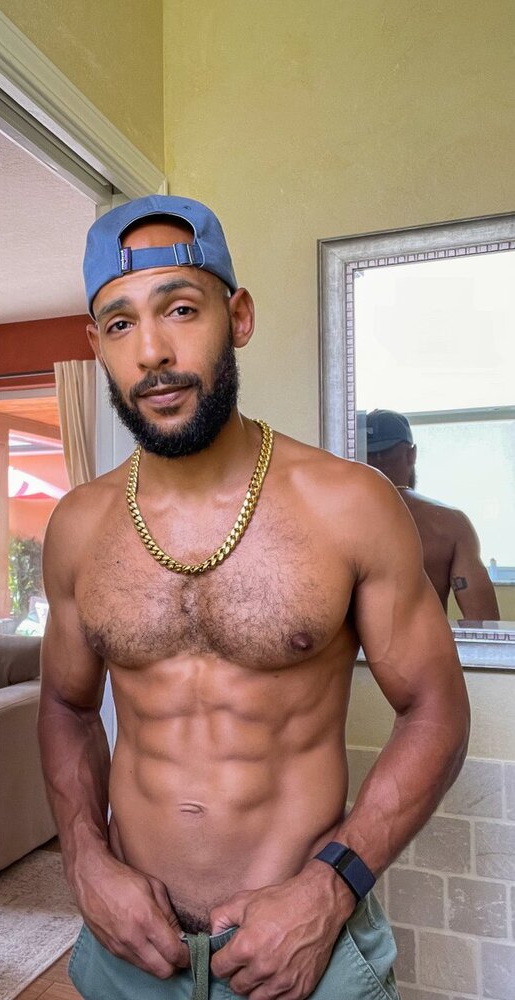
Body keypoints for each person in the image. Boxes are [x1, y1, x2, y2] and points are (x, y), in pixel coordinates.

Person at [37, 195, 470, 1000]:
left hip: (308, 950)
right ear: (97, 346)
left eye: (180, 309)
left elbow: (436, 710)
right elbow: (66, 708)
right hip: (131, 953)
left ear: (237, 317)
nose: (153, 352)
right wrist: (85, 861)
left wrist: (330, 890)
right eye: (121, 324)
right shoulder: (78, 527)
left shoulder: (349, 505)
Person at [365, 408, 500, 622]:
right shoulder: (450, 524)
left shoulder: (336, 522)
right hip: (423, 643)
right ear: (412, 454)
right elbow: (484, 622)